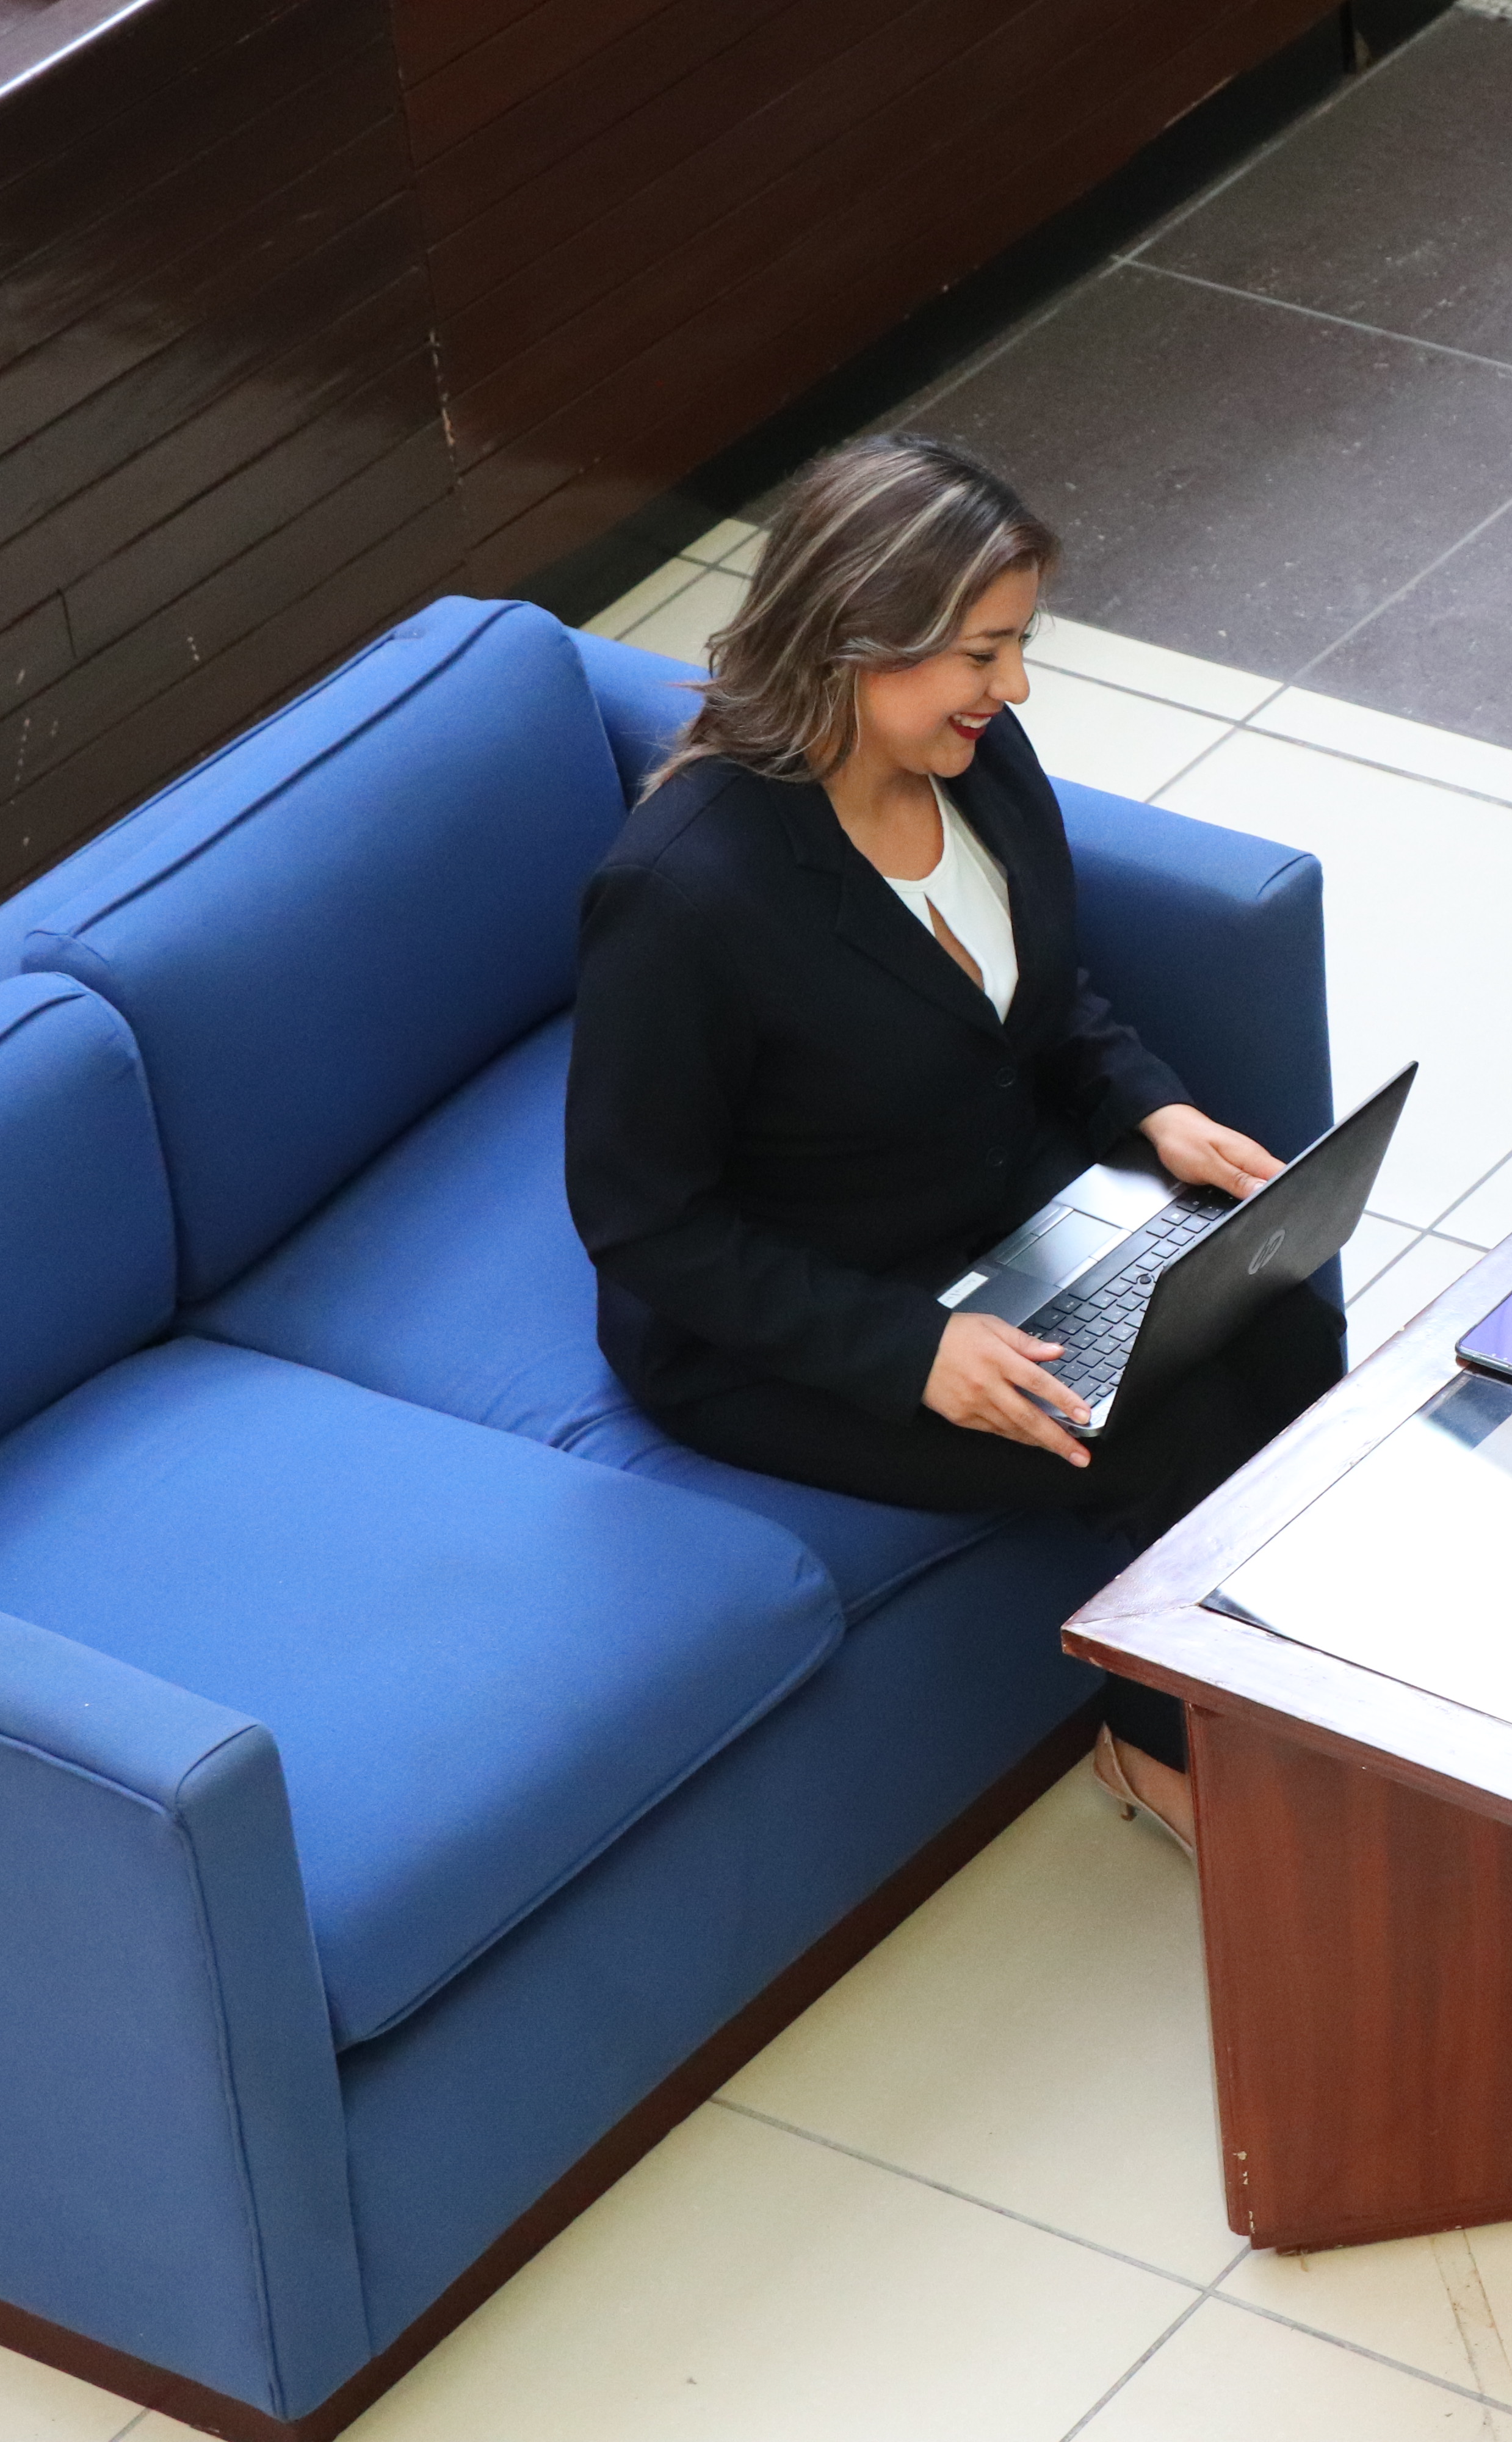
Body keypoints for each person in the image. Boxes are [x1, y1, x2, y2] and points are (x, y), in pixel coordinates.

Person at [566, 435, 1340, 1850]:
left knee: (1284, 1312)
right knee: (1171, 1431)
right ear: (855, 636)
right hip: (799, 1319)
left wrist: (1150, 1106)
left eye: (1018, 646)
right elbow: (643, 1222)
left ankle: (1323, 1700)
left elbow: (1040, 994)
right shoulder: (683, 894)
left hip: (985, 1201)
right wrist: (913, 1351)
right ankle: (1161, 1753)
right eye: (984, 653)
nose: (1017, 688)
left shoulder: (974, 762)